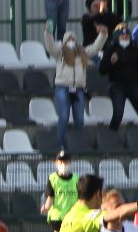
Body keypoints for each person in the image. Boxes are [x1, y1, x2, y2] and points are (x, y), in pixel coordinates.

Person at [43, 21, 107, 149]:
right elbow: (50, 46)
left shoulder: (83, 52)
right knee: (64, 116)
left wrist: (103, 35)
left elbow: (95, 48)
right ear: (64, 42)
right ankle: (60, 144)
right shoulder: (59, 53)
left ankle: (79, 144)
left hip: (78, 89)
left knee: (79, 118)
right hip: (62, 87)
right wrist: (48, 32)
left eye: (73, 39)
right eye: (68, 40)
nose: (71, 42)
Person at [99, 23, 138, 135]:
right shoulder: (111, 48)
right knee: (118, 115)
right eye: (122, 36)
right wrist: (111, 62)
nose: (125, 37)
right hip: (117, 85)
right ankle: (111, 138)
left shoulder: (134, 48)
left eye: (127, 35)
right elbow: (102, 70)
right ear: (117, 37)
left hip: (134, 85)